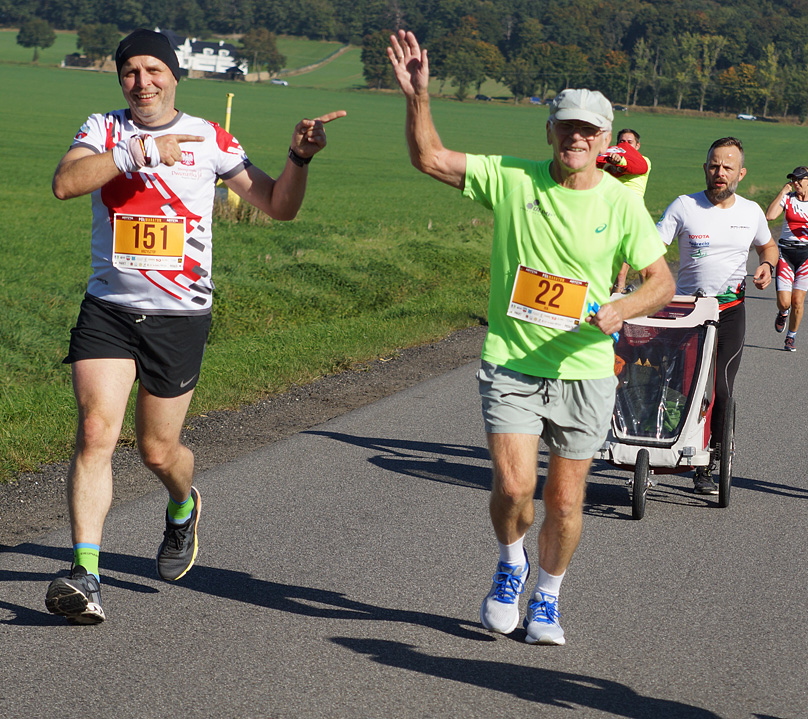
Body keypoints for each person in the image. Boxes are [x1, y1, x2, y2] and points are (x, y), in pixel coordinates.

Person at [43, 29, 344, 625]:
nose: (142, 82)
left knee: (157, 450)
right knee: (97, 432)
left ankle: (183, 505)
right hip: (108, 309)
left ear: (175, 76)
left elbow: (279, 206)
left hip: (179, 318)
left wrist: (300, 157)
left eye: (154, 69)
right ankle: (85, 574)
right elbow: (65, 183)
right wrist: (139, 153)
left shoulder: (208, 137)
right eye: (130, 71)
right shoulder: (103, 130)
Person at [388, 32, 673, 646]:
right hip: (513, 363)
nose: (576, 138)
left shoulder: (623, 205)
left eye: (588, 131)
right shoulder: (512, 179)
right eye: (566, 127)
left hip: (586, 369)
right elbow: (430, 157)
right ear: (550, 132)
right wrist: (418, 98)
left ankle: (547, 597)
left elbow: (661, 281)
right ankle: (510, 560)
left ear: (606, 140)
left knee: (567, 504)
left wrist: (622, 308)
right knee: (515, 488)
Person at [657, 137, 776, 493]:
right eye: (713, 165)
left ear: (740, 172)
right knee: (681, 388)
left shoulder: (751, 212)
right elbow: (650, 247)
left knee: (720, 389)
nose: (719, 172)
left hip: (729, 312)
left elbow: (767, 245)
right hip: (687, 314)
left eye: (727, 167)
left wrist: (767, 265)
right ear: (705, 168)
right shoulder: (684, 206)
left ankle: (710, 462)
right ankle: (664, 450)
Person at [765, 166, 808, 351]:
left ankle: (791, 337)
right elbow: (770, 216)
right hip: (785, 252)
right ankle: (783, 312)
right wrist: (783, 192)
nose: (796, 183)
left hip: (807, 254)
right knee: (785, 302)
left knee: (798, 301)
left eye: (799, 179)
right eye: (793, 180)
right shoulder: (788, 198)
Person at [599, 128, 652, 293]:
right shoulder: (610, 163)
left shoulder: (644, 161)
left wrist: (620, 160)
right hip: (612, 218)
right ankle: (610, 307)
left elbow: (629, 167)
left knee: (642, 267)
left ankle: (651, 303)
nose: (625, 144)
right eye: (622, 141)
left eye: (629, 142)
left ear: (637, 146)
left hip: (633, 218)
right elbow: (605, 171)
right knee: (618, 272)